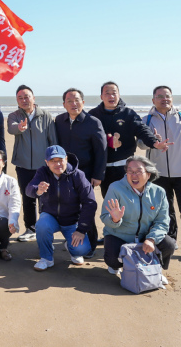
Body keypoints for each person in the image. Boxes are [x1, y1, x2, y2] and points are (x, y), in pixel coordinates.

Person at [138, 86, 181, 262]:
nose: (164, 99)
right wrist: (152, 141)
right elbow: (141, 145)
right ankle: (171, 241)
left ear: (172, 98)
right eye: (160, 96)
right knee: (166, 211)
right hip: (158, 174)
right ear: (153, 100)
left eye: (167, 96)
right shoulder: (146, 120)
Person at [87, 81, 171, 198]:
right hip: (104, 168)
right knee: (110, 200)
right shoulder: (93, 115)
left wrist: (154, 142)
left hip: (126, 167)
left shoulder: (128, 114)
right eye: (107, 93)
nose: (111, 96)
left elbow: (142, 129)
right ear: (101, 96)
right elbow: (86, 139)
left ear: (119, 95)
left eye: (114, 93)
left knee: (130, 199)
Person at [100, 156, 176, 276]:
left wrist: (151, 239)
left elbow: (162, 221)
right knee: (112, 260)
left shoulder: (159, 192)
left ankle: (155, 268)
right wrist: (115, 220)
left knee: (169, 245)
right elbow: (105, 217)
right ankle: (119, 266)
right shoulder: (115, 188)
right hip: (120, 236)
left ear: (148, 174)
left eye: (138, 171)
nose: (133, 175)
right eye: (130, 171)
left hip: (145, 236)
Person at [28, 146, 97, 271]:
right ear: (46, 162)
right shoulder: (42, 172)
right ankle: (46, 258)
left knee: (82, 249)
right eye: (53, 161)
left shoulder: (78, 175)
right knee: (42, 225)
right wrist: (37, 190)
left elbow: (90, 202)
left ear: (66, 159)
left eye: (60, 160)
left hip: (72, 220)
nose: (57, 164)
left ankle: (71, 248)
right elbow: (29, 189)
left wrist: (81, 230)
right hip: (50, 216)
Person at [55, 87, 106, 253]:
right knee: (70, 207)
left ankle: (90, 245)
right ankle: (73, 240)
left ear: (83, 102)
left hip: (86, 173)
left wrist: (98, 174)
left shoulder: (93, 122)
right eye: (69, 101)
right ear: (64, 104)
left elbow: (101, 151)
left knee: (86, 208)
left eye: (77, 100)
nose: (73, 104)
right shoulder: (59, 120)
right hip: (65, 173)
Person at [7, 84, 57, 242]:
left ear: (33, 98)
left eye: (26, 97)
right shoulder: (14, 115)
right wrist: (20, 127)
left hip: (43, 166)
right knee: (27, 196)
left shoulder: (45, 115)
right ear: (17, 100)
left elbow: (53, 140)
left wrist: (54, 162)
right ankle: (30, 228)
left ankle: (45, 228)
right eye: (20, 98)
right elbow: (11, 129)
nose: (24, 100)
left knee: (45, 198)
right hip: (23, 165)